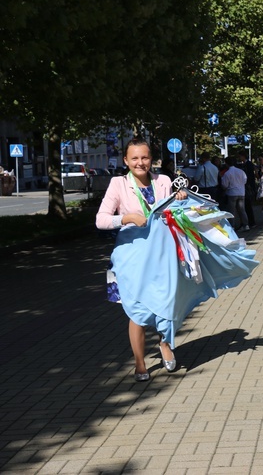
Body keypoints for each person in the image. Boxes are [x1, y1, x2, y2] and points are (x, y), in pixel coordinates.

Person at [96, 137, 185, 382]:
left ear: (152, 159)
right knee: (136, 311)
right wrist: (126, 219)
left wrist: (181, 199)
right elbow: (101, 219)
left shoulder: (164, 181)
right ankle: (139, 362)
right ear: (126, 160)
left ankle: (165, 344)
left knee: (166, 303)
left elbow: (174, 213)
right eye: (134, 158)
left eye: (145, 157)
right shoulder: (118, 184)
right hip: (131, 256)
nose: (140, 162)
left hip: (161, 253)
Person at [221, 156, 250, 231]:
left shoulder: (227, 173)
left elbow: (224, 185)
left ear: (227, 164)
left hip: (231, 193)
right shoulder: (241, 171)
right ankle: (246, 225)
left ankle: (232, 226)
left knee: (232, 211)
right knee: (242, 210)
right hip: (241, 192)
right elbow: (245, 181)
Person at [235, 152, 257, 227]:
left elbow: (250, 176)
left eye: (240, 156)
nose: (239, 158)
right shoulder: (243, 165)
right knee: (245, 206)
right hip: (246, 187)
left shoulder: (248, 164)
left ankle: (251, 222)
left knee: (248, 205)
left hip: (248, 187)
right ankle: (248, 221)